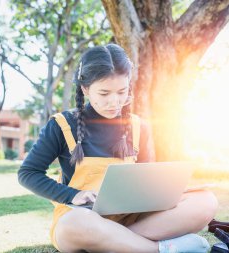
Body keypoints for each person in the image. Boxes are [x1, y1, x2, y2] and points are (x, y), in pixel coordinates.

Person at [18, 44, 218, 253]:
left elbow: (146, 179)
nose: (114, 102)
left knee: (206, 201)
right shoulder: (61, 125)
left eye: (122, 91)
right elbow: (28, 173)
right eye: (104, 93)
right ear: (85, 89)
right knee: (74, 224)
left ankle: (118, 242)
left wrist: (167, 192)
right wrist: (71, 195)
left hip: (133, 218)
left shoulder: (138, 126)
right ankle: (159, 249)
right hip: (85, 219)